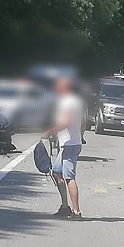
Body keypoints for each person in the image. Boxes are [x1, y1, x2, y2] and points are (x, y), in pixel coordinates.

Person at [42, 77, 84, 219]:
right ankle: (65, 207)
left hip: (70, 146)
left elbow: (65, 122)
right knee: (56, 172)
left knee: (69, 177)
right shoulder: (76, 101)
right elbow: (82, 121)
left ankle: (76, 212)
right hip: (70, 143)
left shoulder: (67, 102)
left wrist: (50, 132)